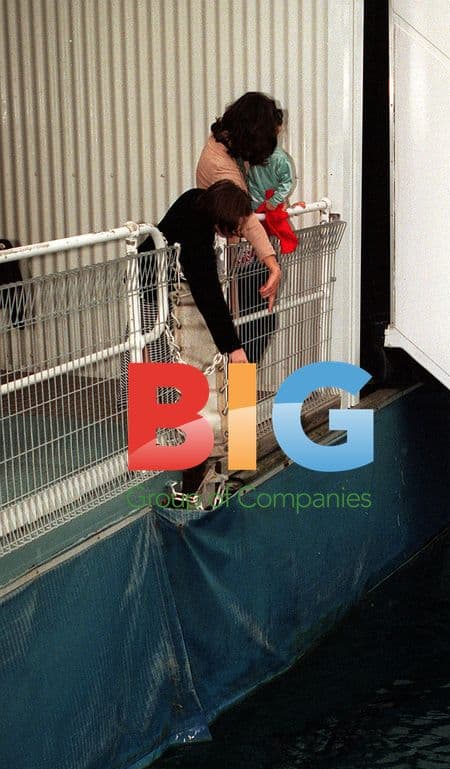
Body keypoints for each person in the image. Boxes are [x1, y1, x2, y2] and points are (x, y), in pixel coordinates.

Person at [138, 180, 253, 500]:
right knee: (158, 367)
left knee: (170, 374)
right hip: (150, 294)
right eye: (236, 229)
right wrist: (233, 347)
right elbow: (208, 293)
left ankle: (214, 454)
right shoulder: (197, 236)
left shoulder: (197, 201)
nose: (238, 235)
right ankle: (171, 452)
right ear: (222, 219)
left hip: (162, 287)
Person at [196, 91, 283, 312]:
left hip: (232, 257)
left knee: (257, 323)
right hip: (223, 260)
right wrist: (273, 265)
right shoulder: (221, 167)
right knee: (247, 325)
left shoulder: (226, 145)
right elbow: (246, 218)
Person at [246, 110, 301, 254]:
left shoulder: (279, 158)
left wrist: (275, 201)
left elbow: (287, 182)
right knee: (260, 250)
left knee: (270, 248)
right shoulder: (251, 155)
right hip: (256, 209)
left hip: (268, 209)